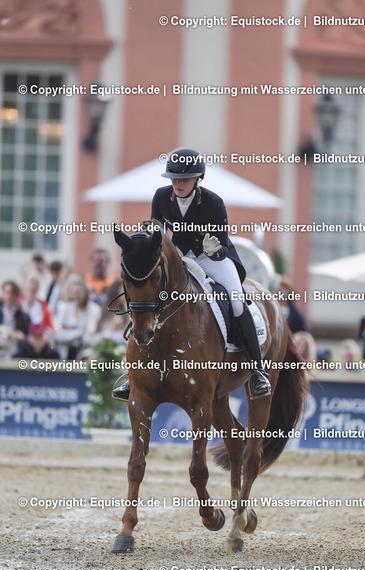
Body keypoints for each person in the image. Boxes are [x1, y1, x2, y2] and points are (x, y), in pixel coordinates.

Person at [113, 148, 271, 401]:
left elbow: (221, 246)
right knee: (151, 296)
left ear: (197, 178)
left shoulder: (214, 203)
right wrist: (151, 231)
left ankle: (257, 370)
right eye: (174, 179)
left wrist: (214, 250)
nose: (177, 184)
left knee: (236, 301)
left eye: (184, 179)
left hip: (211, 258)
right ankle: (133, 375)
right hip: (178, 255)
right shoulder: (161, 196)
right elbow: (158, 231)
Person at [54, 279, 101, 359]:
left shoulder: (94, 310)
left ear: (85, 292)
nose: (76, 295)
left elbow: (89, 335)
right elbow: (58, 334)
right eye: (74, 292)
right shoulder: (65, 309)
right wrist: (80, 332)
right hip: (65, 355)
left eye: (79, 292)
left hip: (84, 355)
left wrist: (68, 329)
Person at [0, 280, 30, 358]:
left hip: (16, 350)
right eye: (7, 293)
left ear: (16, 296)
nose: (9, 297)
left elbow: (29, 336)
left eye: (12, 294)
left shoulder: (24, 316)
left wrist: (22, 336)